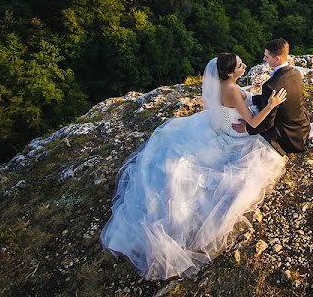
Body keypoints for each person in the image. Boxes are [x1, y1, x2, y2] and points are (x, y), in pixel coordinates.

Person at [100, 53, 287, 280]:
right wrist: (271, 104)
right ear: (230, 72)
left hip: (222, 125)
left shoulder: (222, 85)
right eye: (240, 65)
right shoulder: (233, 91)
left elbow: (236, 100)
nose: (244, 65)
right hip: (234, 134)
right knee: (261, 160)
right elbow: (254, 122)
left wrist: (252, 92)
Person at [232, 38, 311, 156]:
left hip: (287, 137)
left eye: (267, 57)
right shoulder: (296, 73)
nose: (264, 59)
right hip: (302, 128)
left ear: (277, 59)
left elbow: (267, 124)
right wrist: (251, 99)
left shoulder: (270, 86)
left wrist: (247, 129)